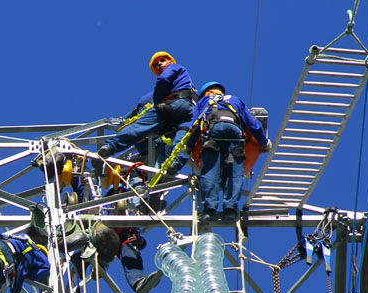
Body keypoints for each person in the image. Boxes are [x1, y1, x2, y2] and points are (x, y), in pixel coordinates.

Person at [96, 51, 196, 177]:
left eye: (162, 61)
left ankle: (110, 147)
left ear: (170, 61)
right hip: (189, 112)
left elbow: (163, 79)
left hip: (175, 104)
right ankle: (172, 167)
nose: (159, 64)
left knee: (141, 126)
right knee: (179, 140)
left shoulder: (173, 68)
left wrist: (158, 101)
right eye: (156, 65)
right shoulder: (188, 83)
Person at [183, 81, 271, 223]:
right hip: (235, 132)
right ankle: (230, 209)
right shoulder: (235, 100)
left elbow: (195, 124)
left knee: (210, 171)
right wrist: (264, 142)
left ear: (209, 92)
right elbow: (252, 123)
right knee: (235, 171)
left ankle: (208, 210)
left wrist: (189, 145)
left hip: (214, 132)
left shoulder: (205, 101)